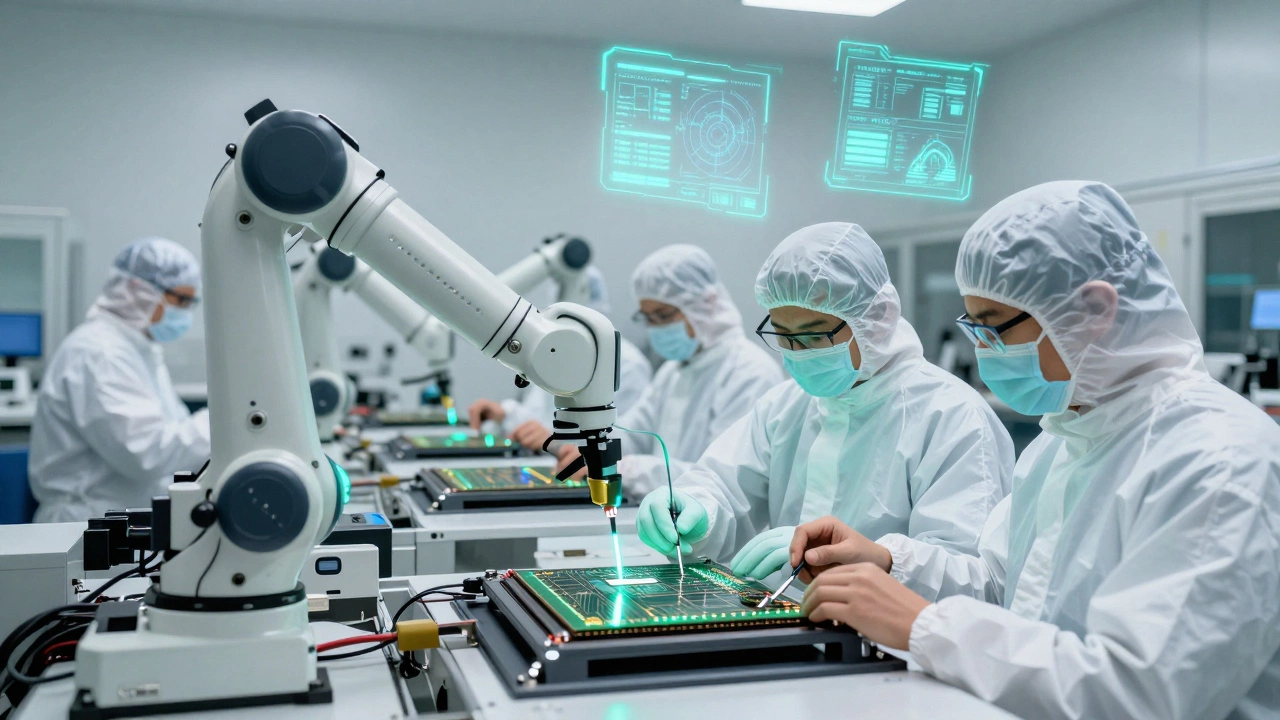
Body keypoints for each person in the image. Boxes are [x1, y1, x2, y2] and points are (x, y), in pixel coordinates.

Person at [789, 182, 1280, 720]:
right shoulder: (1062, 441)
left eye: (996, 330)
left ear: (1095, 309)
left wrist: (923, 625)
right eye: (974, 328)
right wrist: (889, 562)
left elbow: (1142, 693)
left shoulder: (1219, 459)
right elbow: (1007, 586)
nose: (982, 355)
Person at [637, 223, 1013, 583]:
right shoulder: (785, 405)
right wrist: (697, 508)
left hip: (890, 642)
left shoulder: (951, 416)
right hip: (788, 623)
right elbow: (725, 483)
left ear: (876, 320)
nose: (796, 354)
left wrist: (867, 561)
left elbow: (967, 574)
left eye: (812, 337)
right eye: (783, 336)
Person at [557, 244, 784, 496]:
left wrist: (627, 469)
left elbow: (722, 477)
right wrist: (592, 450)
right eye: (648, 319)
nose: (655, 328)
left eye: (663, 316)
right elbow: (635, 432)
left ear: (705, 305)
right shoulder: (672, 371)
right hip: (668, 515)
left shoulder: (749, 372)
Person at [29, 238, 211, 523]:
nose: (186, 312)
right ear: (141, 293)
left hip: (117, 518)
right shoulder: (100, 353)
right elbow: (146, 453)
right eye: (182, 300)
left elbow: (168, 435)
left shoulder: (137, 350)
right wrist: (225, 424)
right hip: (87, 524)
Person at [468, 266, 653, 449]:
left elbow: (625, 441)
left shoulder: (628, 365)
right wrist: (505, 415)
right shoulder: (555, 350)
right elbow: (540, 415)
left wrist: (555, 440)